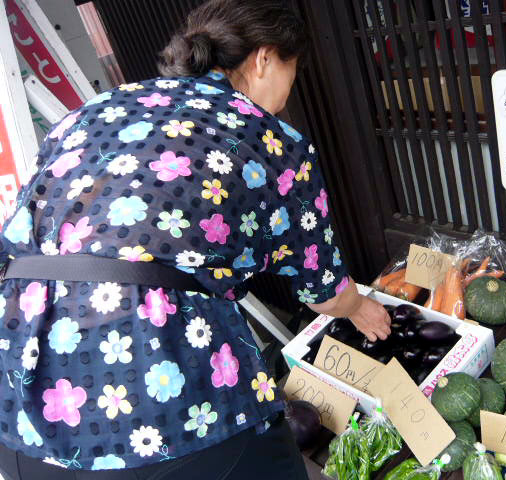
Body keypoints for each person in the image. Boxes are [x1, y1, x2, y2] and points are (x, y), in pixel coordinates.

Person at [0, 0, 391, 479]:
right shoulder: (270, 138)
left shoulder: (98, 108)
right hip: (165, 402)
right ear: (264, 58)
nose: (287, 95)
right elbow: (323, 291)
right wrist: (359, 307)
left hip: (18, 392)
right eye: (292, 72)